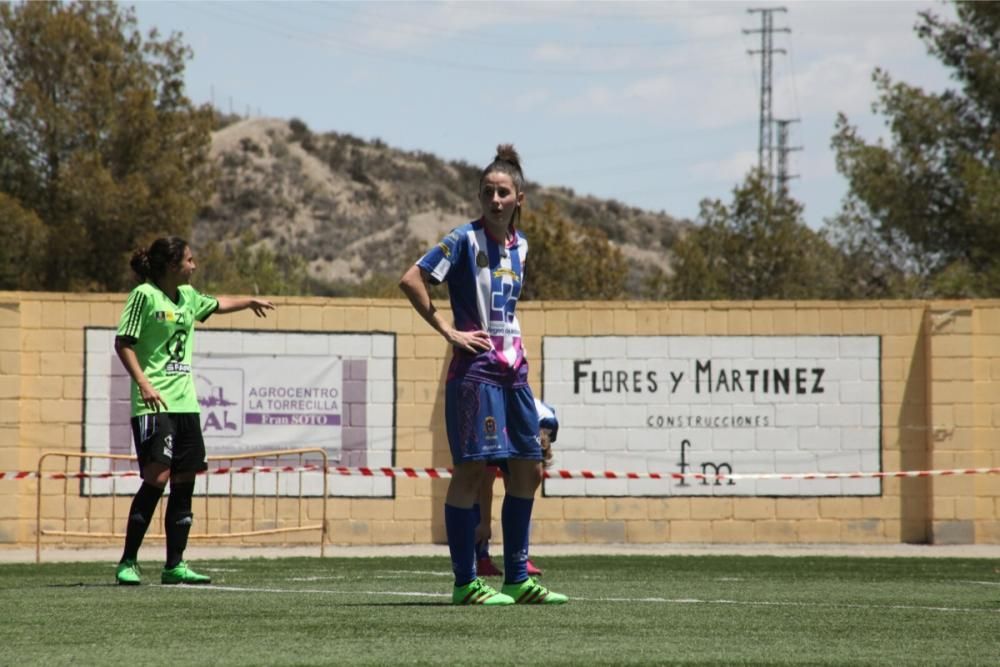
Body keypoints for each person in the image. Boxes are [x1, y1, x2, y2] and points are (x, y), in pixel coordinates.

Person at [399, 144, 567, 606]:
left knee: (529, 469)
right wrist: (447, 330)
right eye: (488, 192)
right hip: (475, 373)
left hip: (515, 374)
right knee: (472, 472)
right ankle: (466, 582)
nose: (495, 200)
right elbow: (411, 279)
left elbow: (505, 309)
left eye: (503, 192)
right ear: (480, 196)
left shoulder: (523, 247)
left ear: (519, 199)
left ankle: (516, 577)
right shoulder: (462, 240)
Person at [114, 236, 275, 586]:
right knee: (156, 478)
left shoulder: (187, 296)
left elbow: (217, 303)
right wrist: (143, 382)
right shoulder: (144, 295)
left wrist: (248, 301)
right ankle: (128, 561)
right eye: (189, 260)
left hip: (187, 404)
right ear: (172, 265)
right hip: (154, 403)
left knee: (184, 481)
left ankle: (175, 564)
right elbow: (123, 342)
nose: (194, 265)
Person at [475, 398, 558, 577]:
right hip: (496, 421)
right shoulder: (507, 423)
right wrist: (485, 523)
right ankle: (481, 557)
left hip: (516, 424)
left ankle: (519, 556)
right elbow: (484, 486)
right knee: (483, 481)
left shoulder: (549, 423)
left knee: (519, 488)